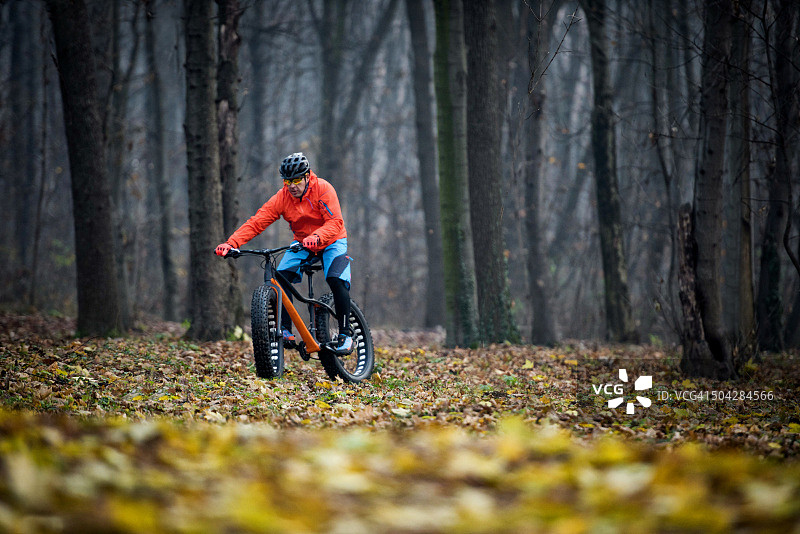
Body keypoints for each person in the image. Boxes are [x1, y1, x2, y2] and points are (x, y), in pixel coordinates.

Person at [215, 152, 353, 354]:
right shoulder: (282, 198)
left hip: (332, 240)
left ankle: (345, 334)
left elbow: (335, 222)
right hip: (303, 243)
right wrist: (231, 243)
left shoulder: (323, 189)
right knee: (280, 278)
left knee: (335, 279)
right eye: (288, 181)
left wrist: (317, 236)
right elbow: (257, 222)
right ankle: (285, 329)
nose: (292, 186)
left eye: (296, 180)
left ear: (307, 176)